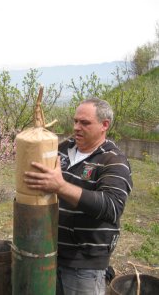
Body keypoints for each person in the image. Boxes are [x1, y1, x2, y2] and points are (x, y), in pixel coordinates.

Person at [24, 98, 133, 295]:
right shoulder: (63, 150)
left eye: (85, 123)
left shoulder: (113, 160)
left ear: (104, 125)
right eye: (75, 121)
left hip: (83, 264)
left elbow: (112, 207)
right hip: (48, 252)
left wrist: (61, 186)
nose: (76, 127)